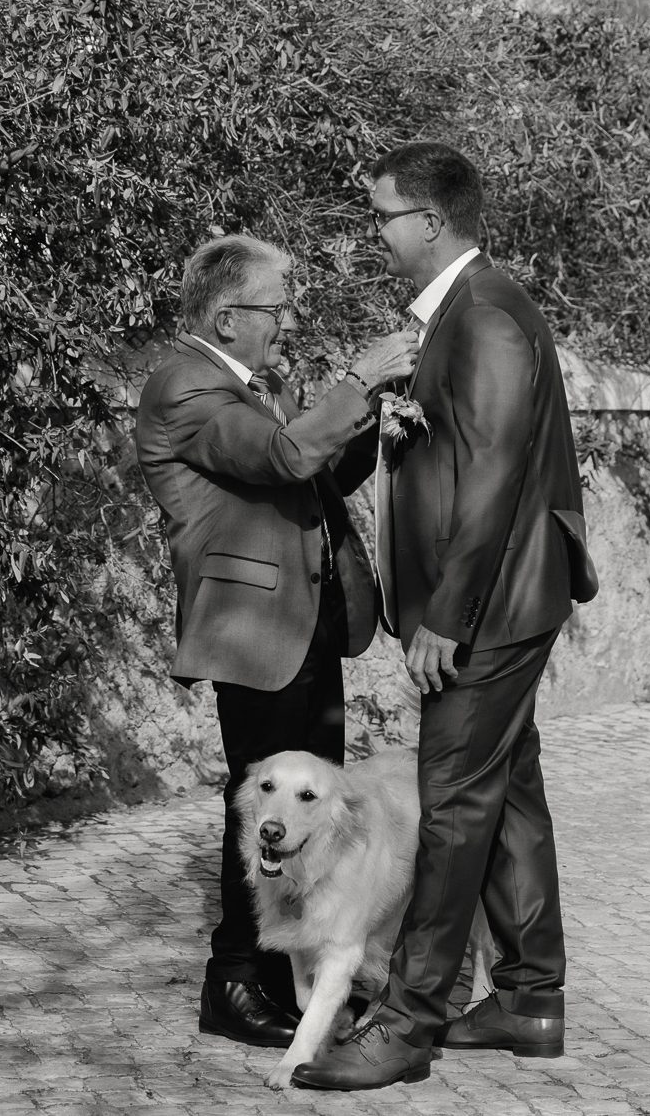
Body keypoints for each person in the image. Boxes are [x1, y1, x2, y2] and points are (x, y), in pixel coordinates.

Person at [293, 141, 597, 1091]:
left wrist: (447, 619)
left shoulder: (488, 315)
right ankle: (529, 999)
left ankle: (407, 1023)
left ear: (429, 221)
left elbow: (494, 476)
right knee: (507, 794)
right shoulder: (456, 314)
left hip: (490, 609)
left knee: (454, 803)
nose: (374, 235)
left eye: (382, 217)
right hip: (495, 601)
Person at [135, 233, 418, 1051]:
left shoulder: (260, 385)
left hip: (309, 624)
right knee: (263, 809)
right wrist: (359, 376)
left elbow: (315, 474)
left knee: (310, 809)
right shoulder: (185, 385)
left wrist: (377, 412)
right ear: (228, 318)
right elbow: (287, 454)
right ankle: (233, 981)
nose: (286, 321)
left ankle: (301, 973)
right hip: (255, 631)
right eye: (275, 307)